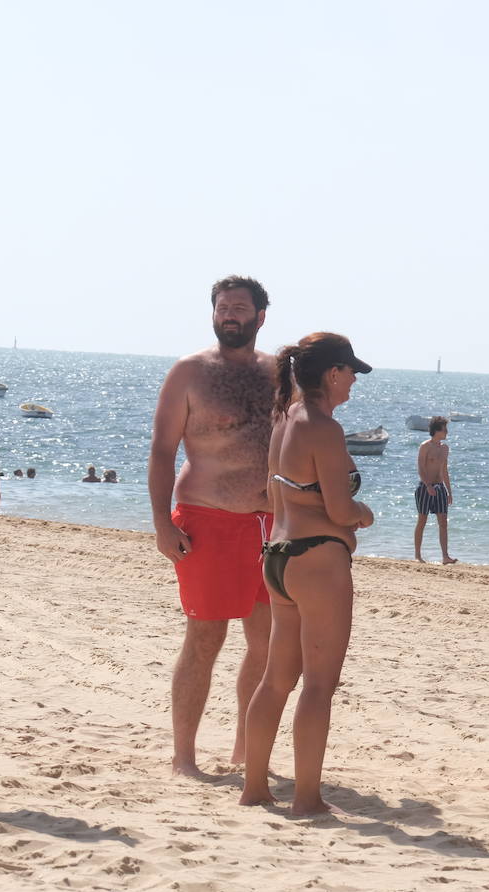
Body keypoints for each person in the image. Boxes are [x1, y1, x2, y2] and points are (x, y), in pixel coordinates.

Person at [241, 333, 374, 815]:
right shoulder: (323, 427)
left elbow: (277, 497)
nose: (354, 381)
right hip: (319, 560)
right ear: (332, 374)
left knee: (276, 680)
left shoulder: (284, 420)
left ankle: (254, 788)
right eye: (351, 372)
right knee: (319, 684)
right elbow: (339, 508)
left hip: (277, 555)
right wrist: (363, 514)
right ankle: (307, 798)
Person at [148, 275, 275, 778]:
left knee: (266, 644)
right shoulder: (190, 372)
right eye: (223, 306)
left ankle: (245, 750)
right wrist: (161, 521)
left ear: (260, 316)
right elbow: (161, 450)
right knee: (205, 638)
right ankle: (184, 757)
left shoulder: (276, 372)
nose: (230, 314)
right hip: (206, 519)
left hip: (268, 525)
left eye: (240, 307)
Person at [413, 416, 455, 564]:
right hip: (425, 488)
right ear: (437, 430)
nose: (447, 432)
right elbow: (421, 468)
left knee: (443, 522)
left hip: (440, 487)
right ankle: (417, 555)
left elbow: (444, 470)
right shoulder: (425, 446)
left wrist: (449, 491)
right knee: (422, 520)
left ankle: (445, 556)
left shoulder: (445, 448)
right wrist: (428, 485)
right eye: (444, 429)